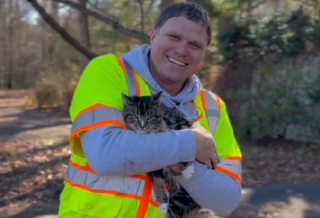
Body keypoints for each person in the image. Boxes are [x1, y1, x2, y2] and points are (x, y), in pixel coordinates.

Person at [58, 2, 242, 218]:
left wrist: (180, 164)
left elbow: (227, 200)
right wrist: (192, 143)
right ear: (153, 36)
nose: (181, 50)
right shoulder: (109, 72)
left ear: (204, 54)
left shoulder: (213, 108)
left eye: (194, 45)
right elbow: (104, 155)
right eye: (174, 37)